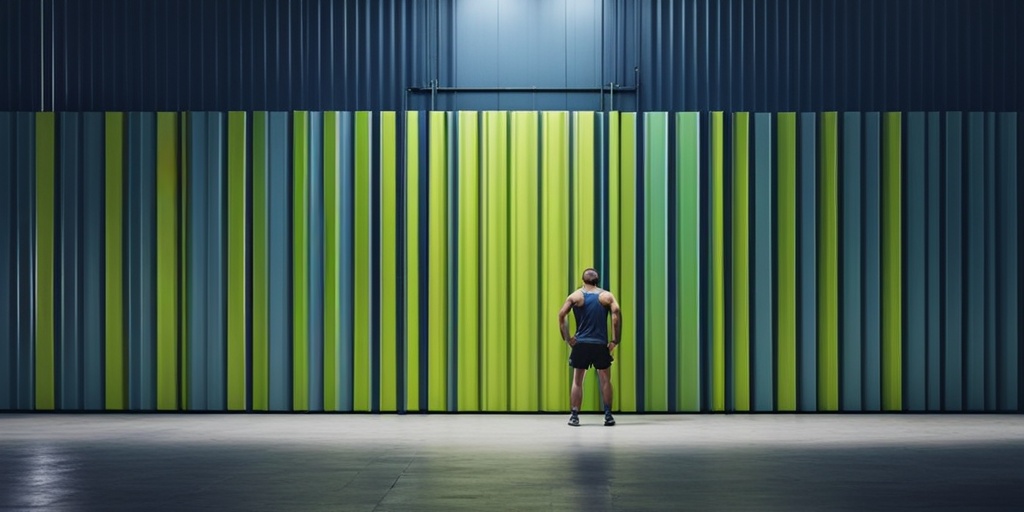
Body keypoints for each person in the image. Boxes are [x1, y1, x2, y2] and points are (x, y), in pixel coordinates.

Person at [557, 268, 622, 427]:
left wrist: (568, 338)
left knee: (577, 381)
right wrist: (615, 340)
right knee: (606, 380)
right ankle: (608, 416)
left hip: (581, 344)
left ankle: (574, 416)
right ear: (597, 281)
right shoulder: (607, 296)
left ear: (583, 280)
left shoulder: (576, 296)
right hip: (600, 344)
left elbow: (561, 315)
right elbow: (616, 315)